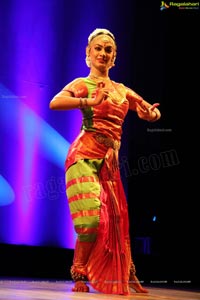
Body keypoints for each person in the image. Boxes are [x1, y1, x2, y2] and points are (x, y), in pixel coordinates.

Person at [49, 28, 161, 296]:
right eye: (97, 48)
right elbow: (55, 102)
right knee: (90, 220)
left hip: (110, 164)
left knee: (118, 220)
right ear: (88, 54)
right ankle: (79, 271)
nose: (103, 53)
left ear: (114, 58)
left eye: (108, 50)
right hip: (83, 157)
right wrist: (89, 100)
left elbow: (148, 110)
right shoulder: (82, 84)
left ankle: (126, 275)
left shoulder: (123, 91)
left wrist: (151, 116)